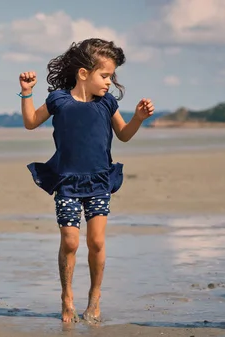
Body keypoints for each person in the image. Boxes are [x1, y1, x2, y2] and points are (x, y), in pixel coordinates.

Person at [18, 38, 155, 323]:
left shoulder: (106, 102)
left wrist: (139, 118)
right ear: (84, 74)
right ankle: (67, 297)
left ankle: (94, 297)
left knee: (96, 241)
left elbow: (124, 134)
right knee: (70, 241)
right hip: (67, 180)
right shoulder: (58, 100)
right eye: (104, 76)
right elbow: (31, 122)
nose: (109, 82)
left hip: (99, 182)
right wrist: (26, 93)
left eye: (111, 76)